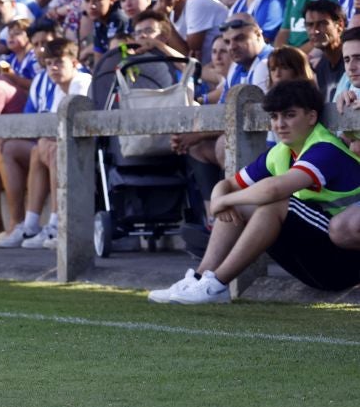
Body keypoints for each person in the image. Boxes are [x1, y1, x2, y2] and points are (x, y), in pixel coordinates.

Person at [149, 80, 360, 303]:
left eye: (289, 115)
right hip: (318, 263)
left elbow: (274, 189)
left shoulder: (325, 148)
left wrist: (224, 200)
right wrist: (222, 198)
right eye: (275, 117)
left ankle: (217, 286)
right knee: (240, 203)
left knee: (275, 203)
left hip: (347, 262)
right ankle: (201, 278)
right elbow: (228, 184)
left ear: (311, 117)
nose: (280, 124)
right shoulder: (280, 152)